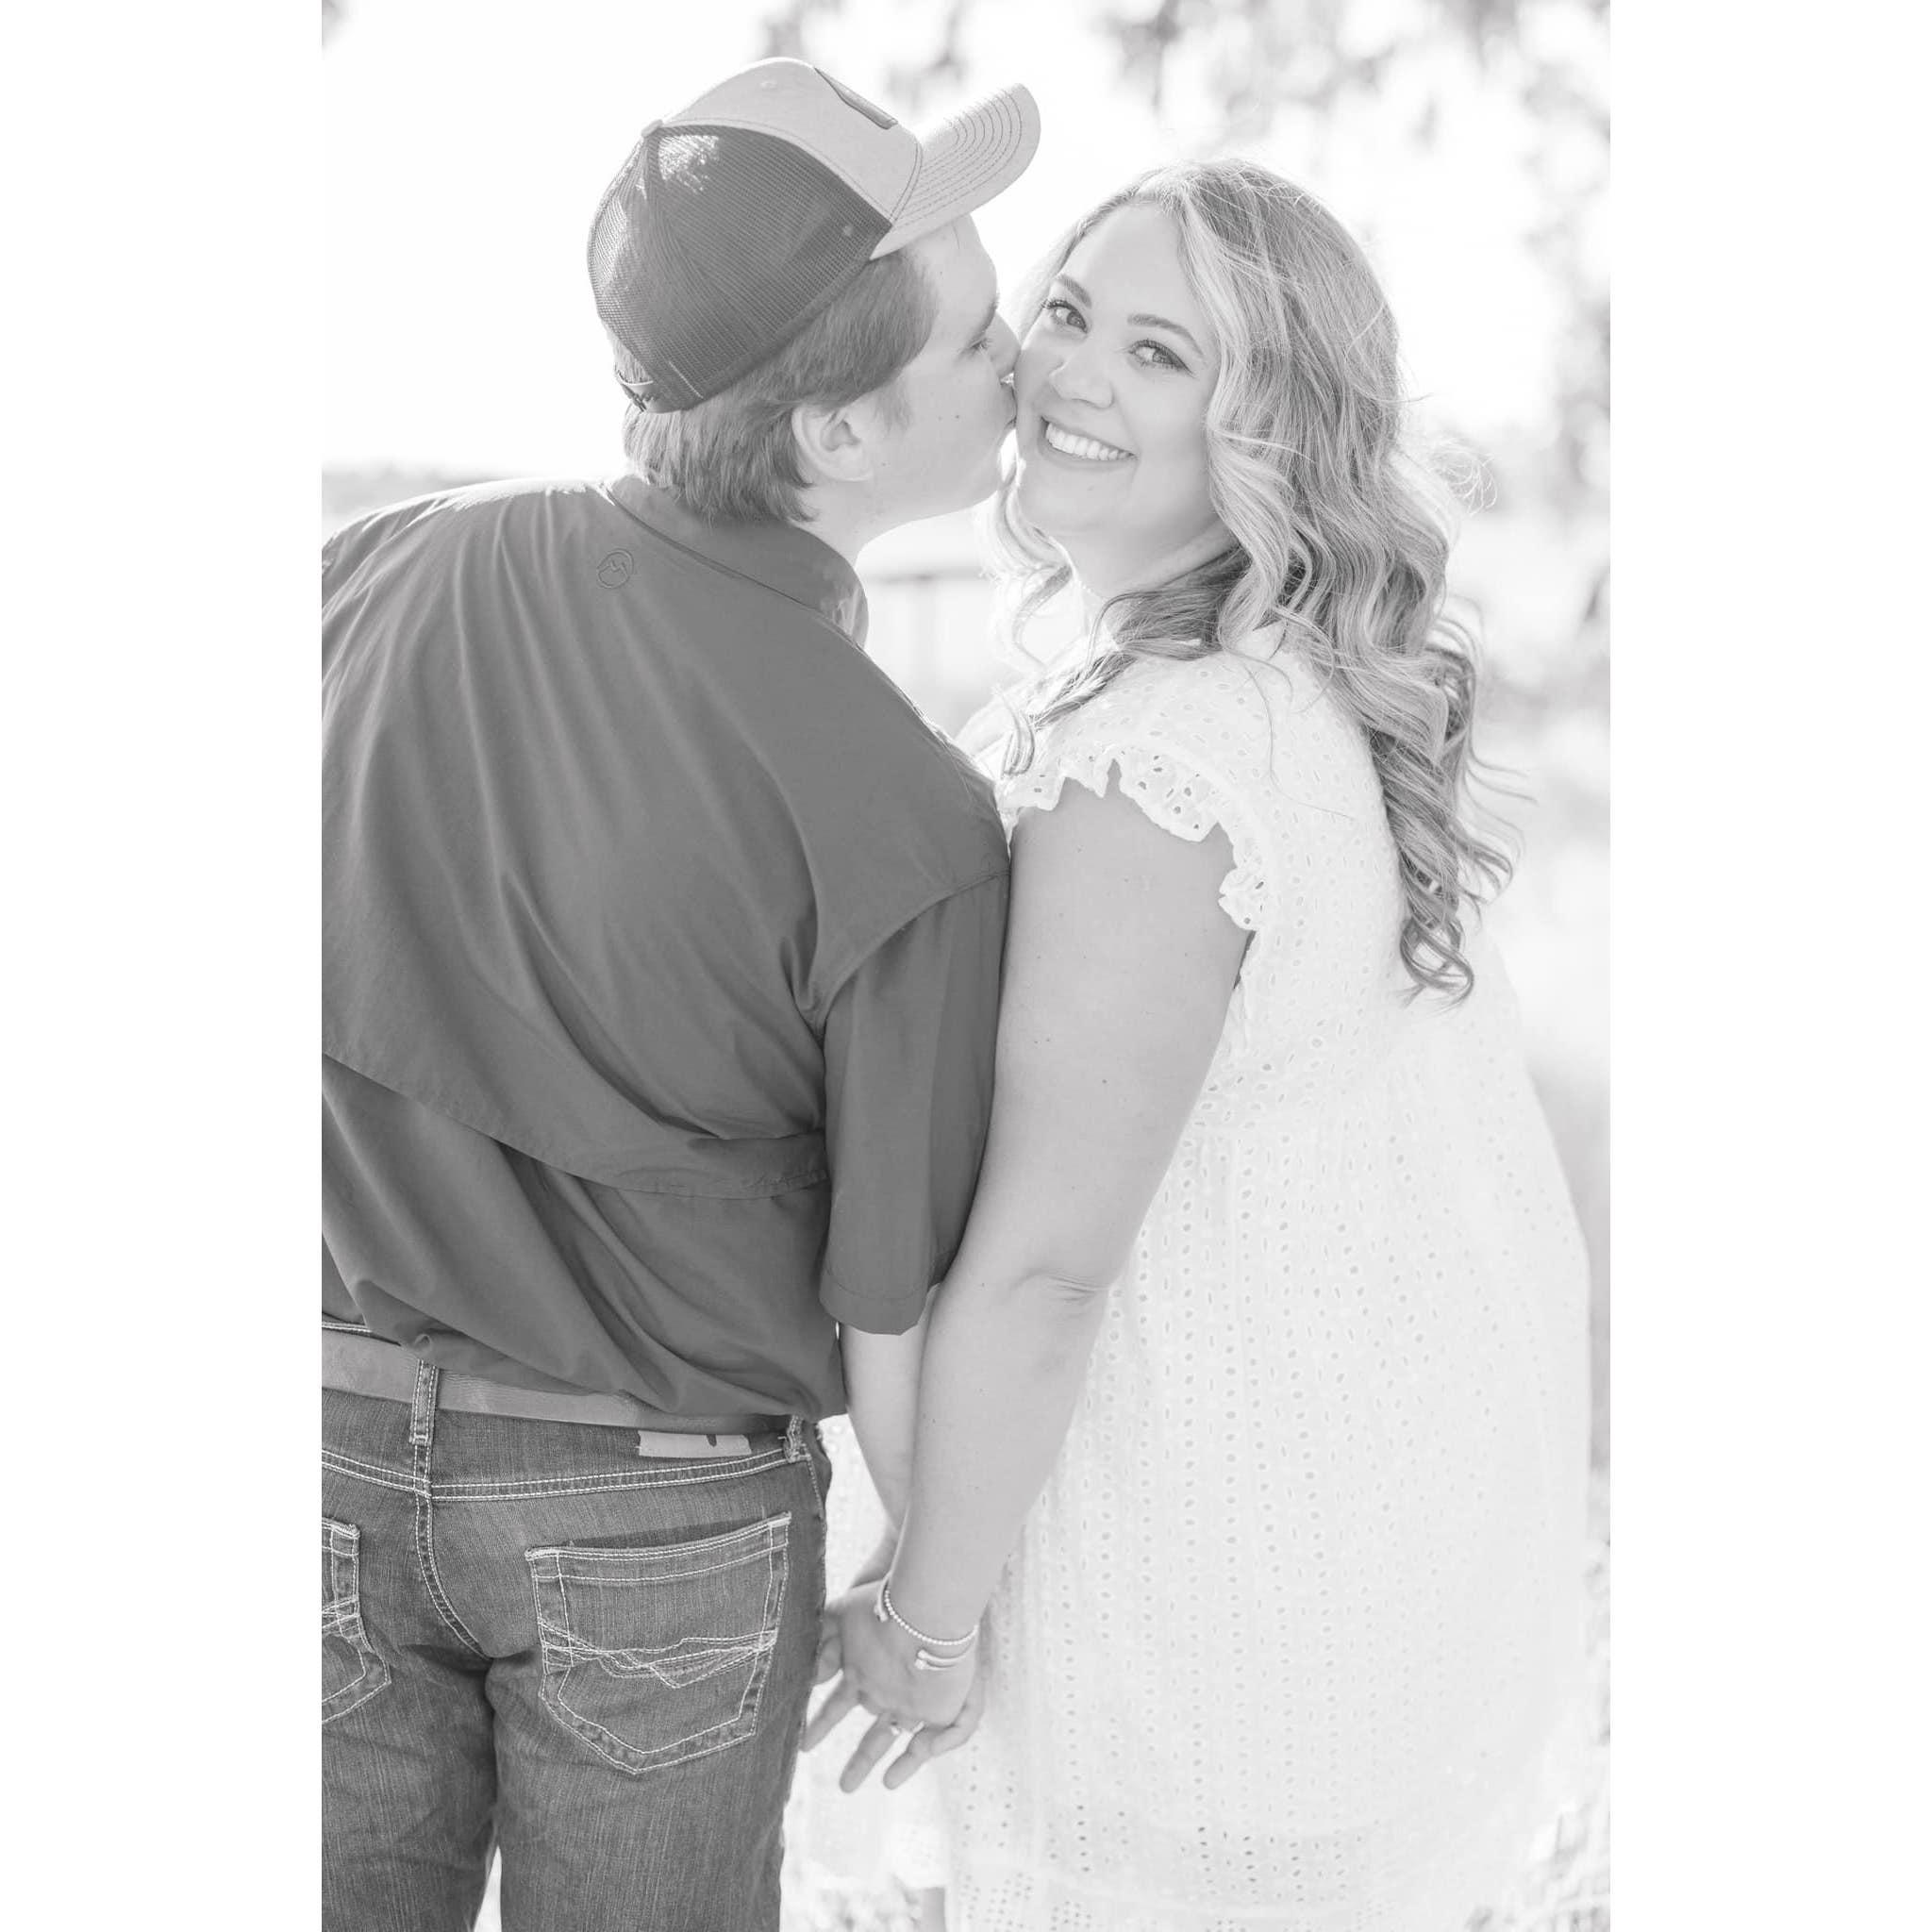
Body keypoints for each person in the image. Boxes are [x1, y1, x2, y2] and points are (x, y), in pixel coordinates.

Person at [804, 159, 1592, 1932]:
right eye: (1070, 314)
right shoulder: (1275, 691)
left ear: (1273, 432)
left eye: (1162, 354)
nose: (1073, 373)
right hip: (1331, 1510)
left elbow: (1050, 1265)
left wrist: (930, 1617)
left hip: (1205, 1574)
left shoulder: (1165, 762)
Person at [321, 58, 1039, 1932]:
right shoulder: (912, 819)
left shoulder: (364, 577)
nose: (1024, 361)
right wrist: (936, 1615)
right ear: (843, 430)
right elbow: (890, 1311)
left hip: (315, 1443)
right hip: (657, 1513)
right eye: (982, 336)